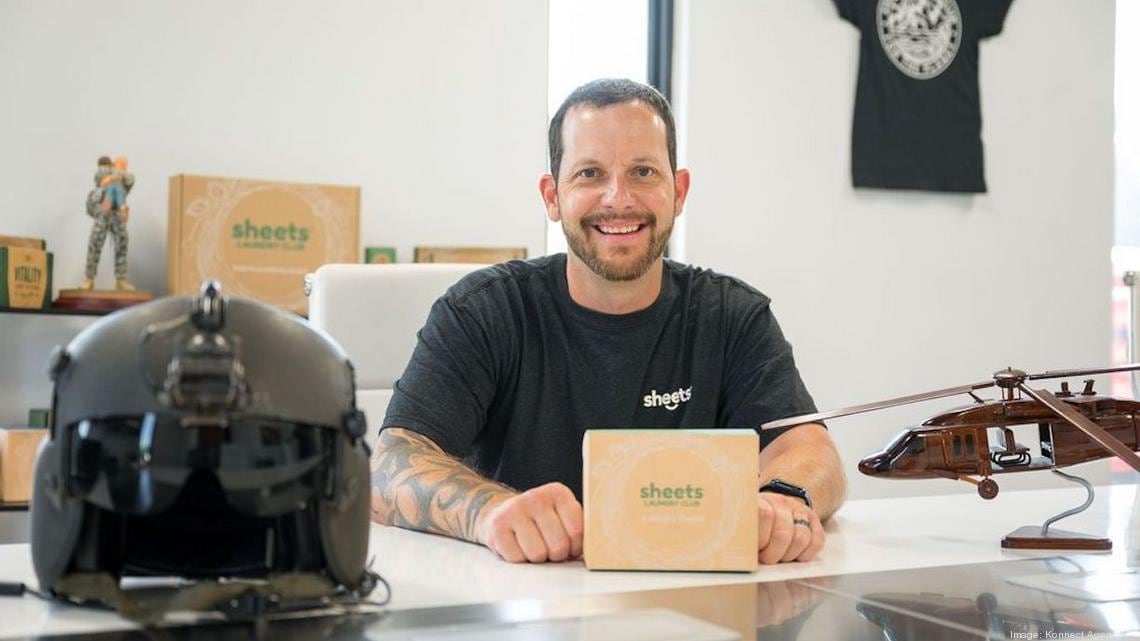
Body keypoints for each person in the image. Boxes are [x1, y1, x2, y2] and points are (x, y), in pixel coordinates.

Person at [371, 78, 845, 565]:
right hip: (524, 590)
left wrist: (783, 499)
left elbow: (810, 449)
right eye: (590, 173)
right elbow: (390, 464)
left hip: (691, 591)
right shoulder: (483, 310)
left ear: (678, 191)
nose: (619, 199)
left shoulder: (732, 316)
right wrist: (490, 512)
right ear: (552, 196)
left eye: (643, 172)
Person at [80, 155, 136, 291]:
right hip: (103, 215)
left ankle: (121, 279)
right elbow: (99, 178)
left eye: (123, 165)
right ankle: (89, 278)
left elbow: (130, 179)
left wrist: (113, 177)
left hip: (116, 214)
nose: (122, 167)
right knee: (95, 244)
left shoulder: (123, 180)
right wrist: (108, 179)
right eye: (120, 164)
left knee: (122, 243)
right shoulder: (101, 177)